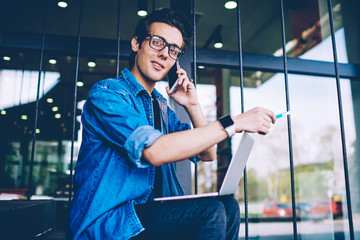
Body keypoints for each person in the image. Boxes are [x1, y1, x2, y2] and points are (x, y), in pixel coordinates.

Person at [68, 8, 276, 240]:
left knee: (228, 206)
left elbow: (207, 154)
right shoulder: (108, 94)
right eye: (157, 42)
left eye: (173, 49)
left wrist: (193, 106)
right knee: (211, 213)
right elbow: (154, 151)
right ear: (136, 44)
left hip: (149, 217)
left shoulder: (160, 106)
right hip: (111, 223)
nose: (165, 54)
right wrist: (233, 123)